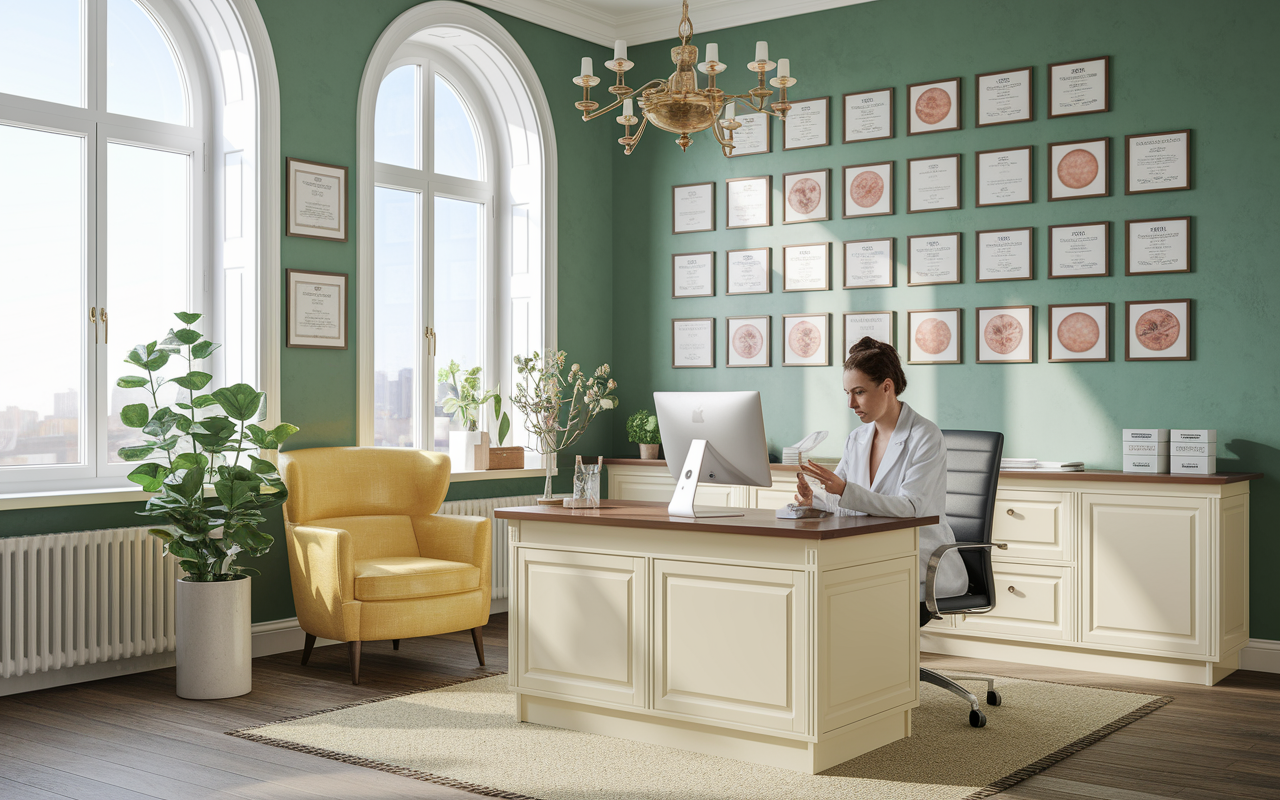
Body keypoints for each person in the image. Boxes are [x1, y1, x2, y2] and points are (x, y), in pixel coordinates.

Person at [795, 336, 969, 626]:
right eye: (847, 393)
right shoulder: (857, 439)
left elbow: (911, 508)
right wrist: (815, 500)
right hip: (870, 553)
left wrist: (843, 490)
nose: (851, 403)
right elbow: (845, 503)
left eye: (859, 392)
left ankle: (877, 669)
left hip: (918, 559)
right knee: (813, 585)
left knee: (838, 593)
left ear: (887, 387)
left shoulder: (925, 436)